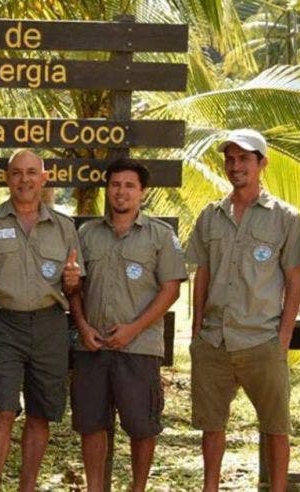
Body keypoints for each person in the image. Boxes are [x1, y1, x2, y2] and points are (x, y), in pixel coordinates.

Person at [186, 129, 300, 492]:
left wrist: (282, 339)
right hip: (214, 340)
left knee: (276, 426)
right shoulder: (210, 216)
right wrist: (197, 334)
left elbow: (294, 282)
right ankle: (211, 487)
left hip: (262, 339)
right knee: (212, 427)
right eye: (230, 159)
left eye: (244, 159)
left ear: (261, 163)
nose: (235, 166)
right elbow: (202, 276)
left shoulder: (285, 218)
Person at [0, 149, 82, 492]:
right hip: (5, 325)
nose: (24, 179)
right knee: (2, 410)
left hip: (50, 325)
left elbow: (76, 283)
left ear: (44, 178)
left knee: (40, 413)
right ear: (7, 178)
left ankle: (26, 487)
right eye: (17, 173)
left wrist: (74, 283)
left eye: (32, 172)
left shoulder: (64, 227)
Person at [68, 159, 187, 492]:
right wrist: (81, 325)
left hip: (139, 348)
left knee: (141, 426)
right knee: (92, 424)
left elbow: (171, 289)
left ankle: (137, 488)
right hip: (92, 347)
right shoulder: (86, 234)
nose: (121, 192)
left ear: (142, 193)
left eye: (129, 186)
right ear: (108, 189)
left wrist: (134, 328)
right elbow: (73, 287)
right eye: (116, 184)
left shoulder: (160, 236)